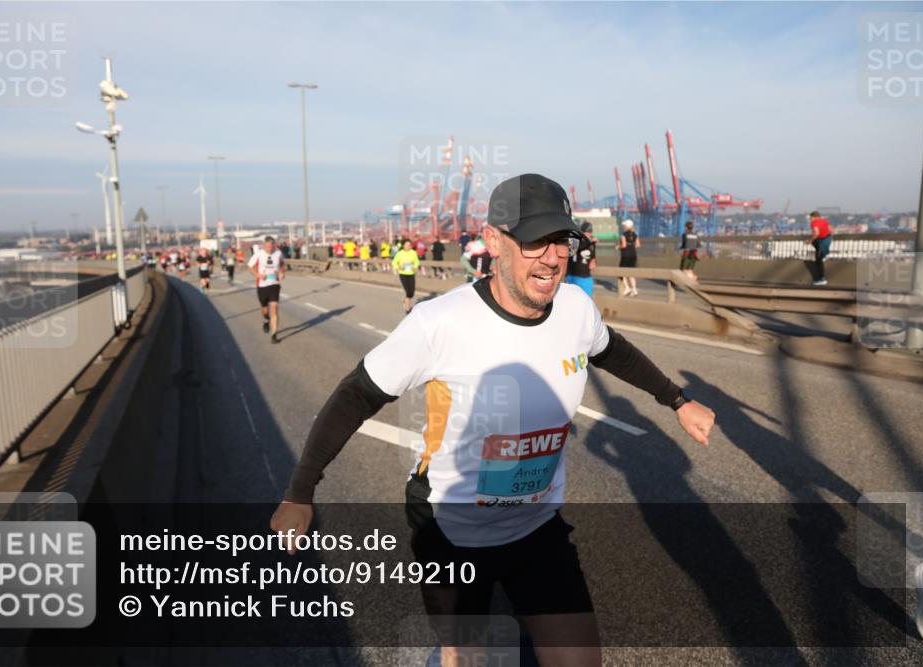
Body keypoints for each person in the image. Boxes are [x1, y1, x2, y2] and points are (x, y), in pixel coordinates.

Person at [270, 173, 715, 667]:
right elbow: (354, 397)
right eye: (533, 241)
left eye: (561, 240)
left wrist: (677, 400)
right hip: (451, 530)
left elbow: (614, 351)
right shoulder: (439, 323)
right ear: (494, 242)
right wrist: (299, 494)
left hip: (537, 524)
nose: (552, 257)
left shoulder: (574, 308)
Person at [248, 237, 286, 344]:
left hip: (274, 285)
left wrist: (282, 272)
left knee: (274, 308)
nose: (270, 248)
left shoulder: (278, 253)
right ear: (264, 245)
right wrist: (258, 275)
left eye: (271, 246)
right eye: (268, 246)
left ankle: (274, 335)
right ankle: (266, 319)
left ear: (274, 245)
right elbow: (250, 267)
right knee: (265, 309)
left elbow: (282, 264)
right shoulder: (258, 254)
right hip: (262, 285)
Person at [565, 222, 596, 297]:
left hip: (586, 277)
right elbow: (573, 250)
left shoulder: (591, 244)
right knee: (571, 300)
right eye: (586, 233)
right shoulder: (574, 240)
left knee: (587, 301)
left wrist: (594, 260)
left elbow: (593, 262)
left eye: (589, 233)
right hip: (572, 276)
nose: (588, 235)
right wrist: (590, 241)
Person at [391, 239, 420, 314]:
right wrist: (399, 267)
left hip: (411, 273)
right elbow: (394, 263)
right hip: (403, 274)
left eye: (409, 245)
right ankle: (407, 309)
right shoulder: (399, 253)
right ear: (403, 245)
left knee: (412, 292)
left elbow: (417, 261)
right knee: (407, 292)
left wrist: (415, 266)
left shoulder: (413, 253)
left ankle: (405, 300)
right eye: (406, 245)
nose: (408, 246)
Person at [809, 210, 833, 286]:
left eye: (811, 218)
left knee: (818, 260)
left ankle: (822, 279)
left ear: (814, 217)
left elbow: (816, 233)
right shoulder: (825, 221)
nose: (810, 219)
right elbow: (831, 230)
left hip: (822, 240)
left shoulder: (813, 223)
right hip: (828, 238)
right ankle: (825, 254)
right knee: (815, 244)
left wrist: (809, 241)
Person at [617, 219, 640, 296]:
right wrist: (631, 245)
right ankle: (634, 289)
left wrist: (618, 247)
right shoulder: (635, 234)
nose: (623, 227)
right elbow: (638, 245)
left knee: (621, 272)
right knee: (631, 273)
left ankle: (627, 288)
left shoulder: (623, 235)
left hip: (625, 255)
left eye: (624, 226)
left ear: (627, 226)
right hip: (633, 255)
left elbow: (624, 245)